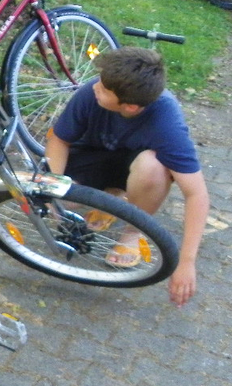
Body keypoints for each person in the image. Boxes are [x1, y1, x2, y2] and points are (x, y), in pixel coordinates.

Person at [44, 47, 209, 308]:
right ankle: (111, 197)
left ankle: (132, 232)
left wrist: (186, 262)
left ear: (130, 106)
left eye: (104, 89)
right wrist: (53, 187)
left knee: (154, 167)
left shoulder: (167, 122)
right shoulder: (91, 91)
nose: (95, 87)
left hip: (136, 165)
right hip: (91, 157)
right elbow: (59, 140)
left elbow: (196, 193)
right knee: (61, 202)